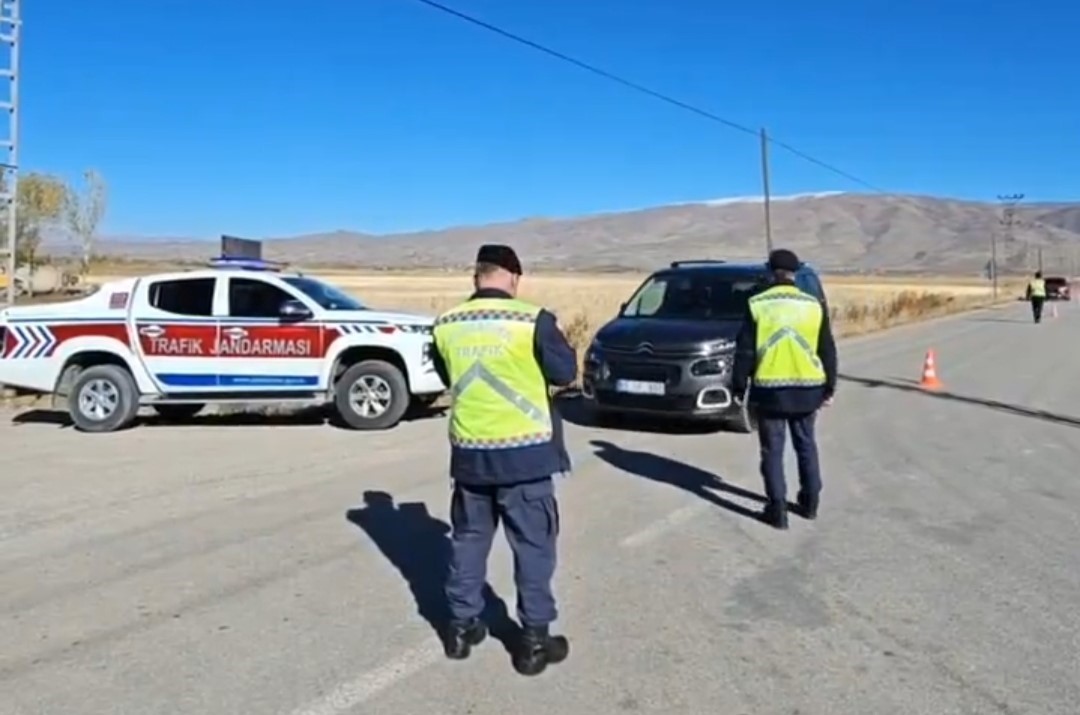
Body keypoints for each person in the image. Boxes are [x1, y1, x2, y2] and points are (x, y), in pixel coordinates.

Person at [430, 244, 577, 676]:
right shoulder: (533, 320)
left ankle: (460, 629)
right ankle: (533, 641)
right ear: (513, 276)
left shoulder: (446, 324)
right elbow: (565, 374)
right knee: (533, 547)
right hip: (525, 456)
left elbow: (446, 375)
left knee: (469, 540)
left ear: (477, 276)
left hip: (472, 456)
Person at [731, 249, 838, 530]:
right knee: (806, 445)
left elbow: (744, 351)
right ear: (795, 273)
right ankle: (810, 503)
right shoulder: (813, 304)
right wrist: (830, 386)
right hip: (808, 389)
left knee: (773, 451)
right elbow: (827, 348)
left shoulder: (757, 303)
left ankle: (777, 510)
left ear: (770, 271)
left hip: (770, 391)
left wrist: (739, 385)